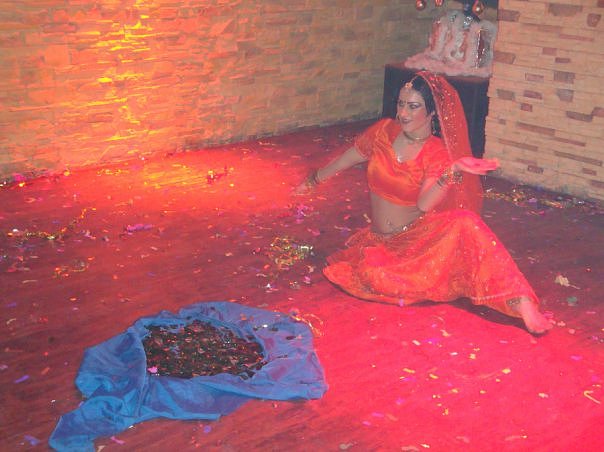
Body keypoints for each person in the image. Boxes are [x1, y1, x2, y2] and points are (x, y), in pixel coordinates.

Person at [296, 71, 553, 334]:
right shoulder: (383, 132)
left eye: (413, 106)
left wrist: (453, 170)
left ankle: (521, 302)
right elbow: (347, 159)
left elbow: (424, 205)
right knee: (374, 275)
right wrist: (314, 180)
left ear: (431, 112)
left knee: (467, 223)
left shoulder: (436, 152)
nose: (403, 113)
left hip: (415, 240)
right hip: (380, 242)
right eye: (401, 104)